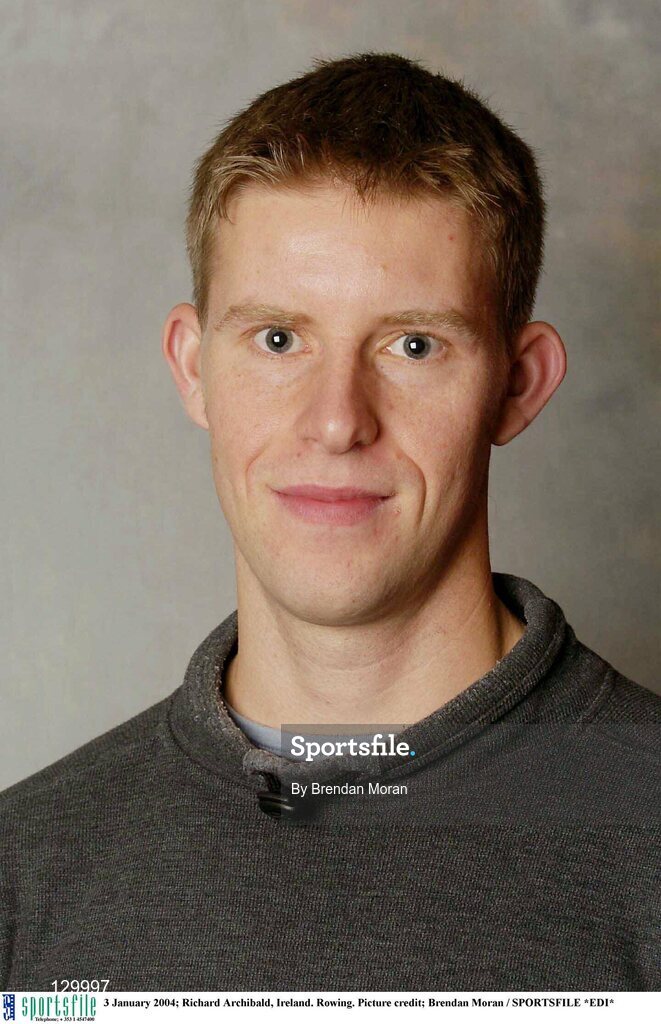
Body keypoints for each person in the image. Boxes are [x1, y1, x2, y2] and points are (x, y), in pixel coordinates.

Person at [1, 52, 659, 994]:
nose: (337, 420)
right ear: (193, 367)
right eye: (278, 339)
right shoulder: (25, 876)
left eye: (413, 344)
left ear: (517, 384)